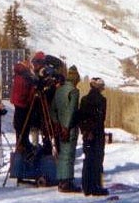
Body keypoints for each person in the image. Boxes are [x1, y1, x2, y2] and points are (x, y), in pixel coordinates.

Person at [51, 65, 81, 193]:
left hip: (60, 127)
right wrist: (66, 127)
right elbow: (72, 110)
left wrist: (57, 124)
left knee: (62, 154)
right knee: (69, 155)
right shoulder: (74, 91)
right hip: (69, 128)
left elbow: (52, 109)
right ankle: (67, 183)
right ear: (76, 79)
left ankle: (61, 181)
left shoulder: (59, 90)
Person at [78, 77, 108, 196]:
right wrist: (93, 131)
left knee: (88, 159)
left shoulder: (84, 99)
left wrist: (85, 131)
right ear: (100, 88)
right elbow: (101, 119)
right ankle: (96, 186)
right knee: (97, 160)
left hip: (86, 134)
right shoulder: (102, 100)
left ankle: (86, 187)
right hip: (97, 134)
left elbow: (80, 117)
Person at [10, 56, 37, 153]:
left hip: (18, 102)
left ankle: (21, 143)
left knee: (20, 126)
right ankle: (22, 145)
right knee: (23, 125)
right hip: (23, 103)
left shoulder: (19, 73)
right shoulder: (24, 74)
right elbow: (27, 88)